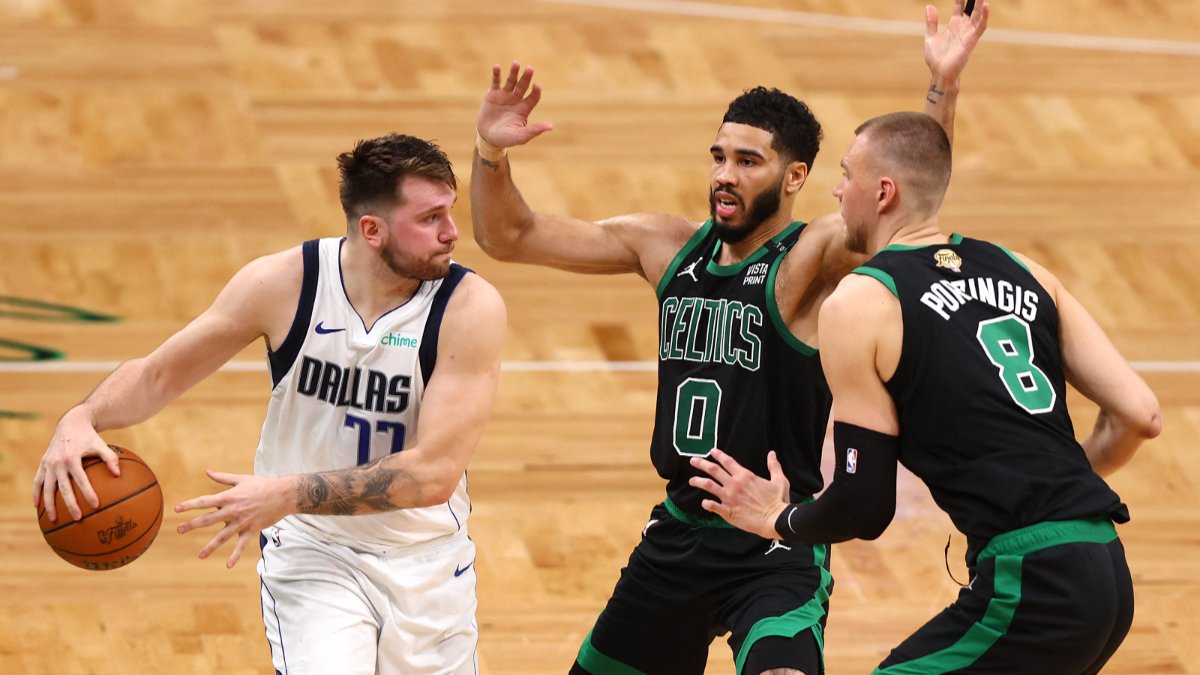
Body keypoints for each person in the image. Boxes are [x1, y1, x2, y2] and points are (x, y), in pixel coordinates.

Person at [471, 3, 988, 673]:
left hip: (773, 537)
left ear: (796, 177)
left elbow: (908, 197)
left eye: (748, 161)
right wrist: (489, 151)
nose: (724, 173)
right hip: (680, 535)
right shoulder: (664, 245)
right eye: (719, 156)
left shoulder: (808, 260)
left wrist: (942, 86)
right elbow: (509, 236)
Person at [688, 111, 1162, 674]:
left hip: (1034, 586)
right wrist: (1055, 495)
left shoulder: (861, 300)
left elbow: (864, 505)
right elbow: (1140, 414)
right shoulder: (1023, 268)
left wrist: (777, 518)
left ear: (882, 192)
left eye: (845, 174)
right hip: (1105, 567)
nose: (837, 190)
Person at [33, 133, 506, 674]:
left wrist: (287, 492)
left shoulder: (467, 308)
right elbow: (159, 374)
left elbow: (432, 476)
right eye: (430, 218)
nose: (452, 233)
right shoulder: (285, 283)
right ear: (372, 230)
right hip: (314, 551)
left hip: (426, 562)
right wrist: (80, 417)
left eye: (449, 211)